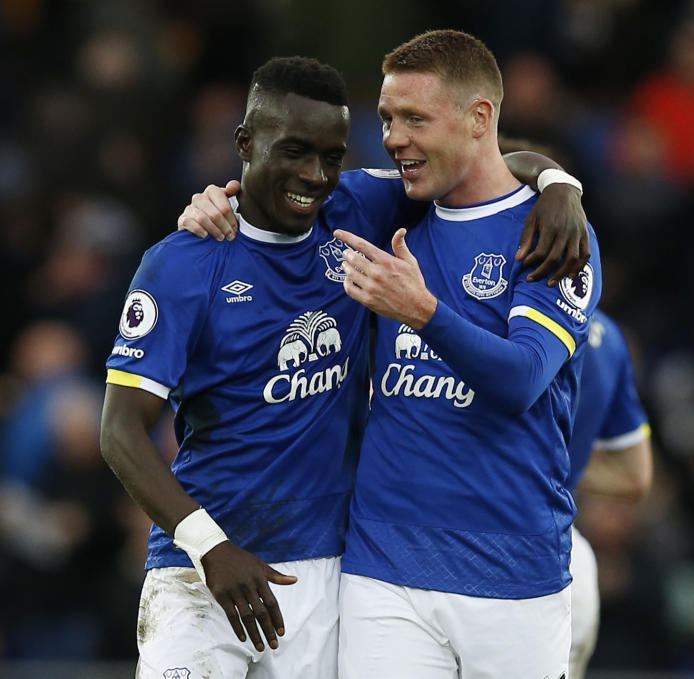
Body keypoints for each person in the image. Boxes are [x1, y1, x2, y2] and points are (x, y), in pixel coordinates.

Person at [101, 55, 588, 679]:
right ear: (245, 143)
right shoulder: (184, 262)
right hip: (201, 568)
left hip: (323, 567)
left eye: (332, 157)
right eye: (296, 152)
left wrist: (558, 185)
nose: (315, 176)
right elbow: (119, 431)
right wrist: (210, 546)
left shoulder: (356, 211)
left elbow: (480, 163)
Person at [328, 30, 601, 678]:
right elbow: (281, 191)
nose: (394, 138)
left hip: (514, 572)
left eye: (415, 119)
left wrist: (422, 312)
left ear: (480, 118)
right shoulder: (388, 206)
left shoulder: (552, 231)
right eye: (389, 119)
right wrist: (212, 208)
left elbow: (522, 378)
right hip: (384, 568)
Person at [565, 310, 653, 678]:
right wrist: (560, 469)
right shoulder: (609, 336)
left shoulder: (477, 316)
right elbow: (636, 476)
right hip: (568, 560)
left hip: (466, 546)